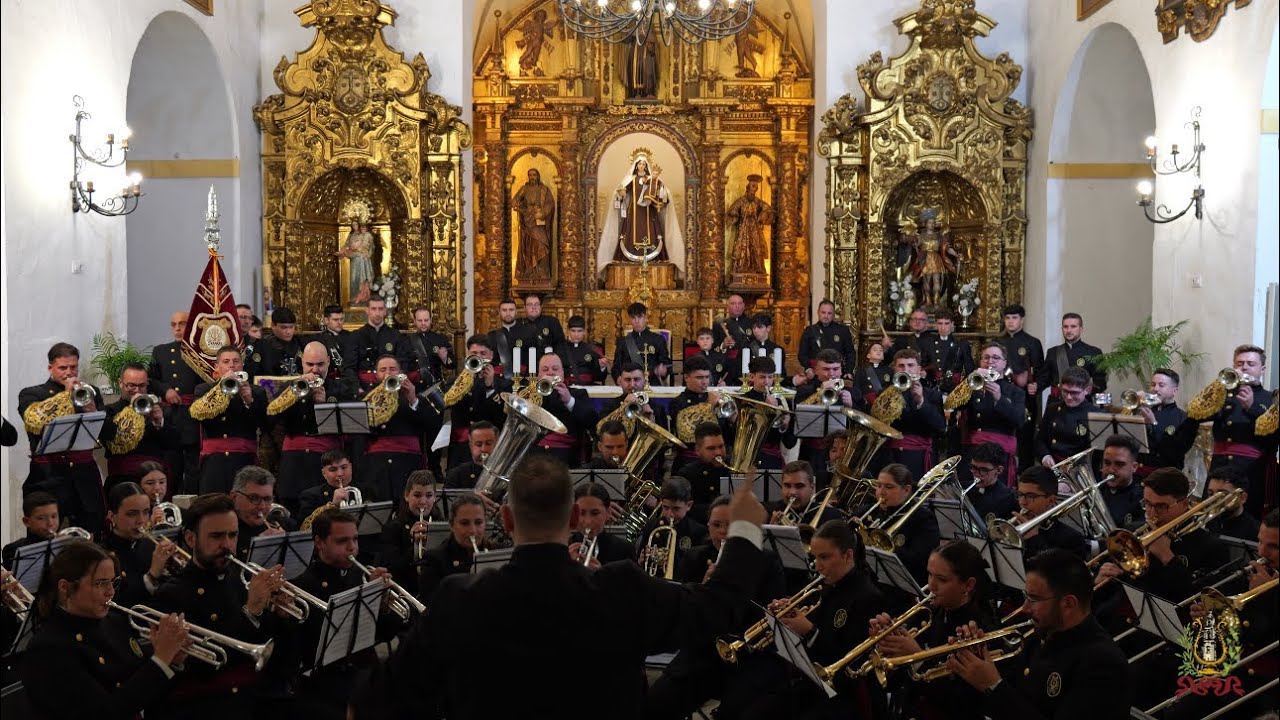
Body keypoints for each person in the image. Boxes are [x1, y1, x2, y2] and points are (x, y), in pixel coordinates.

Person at [354, 453, 768, 720]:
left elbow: (382, 698)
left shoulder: (460, 598)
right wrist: (746, 529)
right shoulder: (623, 589)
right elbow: (719, 605)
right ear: (573, 519)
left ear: (507, 521)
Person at [718, 520, 886, 720]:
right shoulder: (826, 587)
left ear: (848, 555)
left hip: (840, 694)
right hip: (810, 683)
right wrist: (786, 617)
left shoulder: (868, 597)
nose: (818, 566)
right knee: (743, 707)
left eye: (825, 557)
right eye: (815, 558)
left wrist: (809, 631)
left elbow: (850, 663)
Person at [944, 549, 1132, 720]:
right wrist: (972, 664)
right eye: (1026, 596)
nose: (1025, 608)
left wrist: (993, 685)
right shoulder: (1039, 635)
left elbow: (1005, 697)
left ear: (1068, 604)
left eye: (1033, 599)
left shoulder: (1102, 663)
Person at [149, 493, 287, 720]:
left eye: (233, 535)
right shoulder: (171, 594)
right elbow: (207, 665)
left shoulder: (241, 577)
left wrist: (280, 614)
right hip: (208, 706)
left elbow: (273, 648)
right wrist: (252, 610)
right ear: (190, 538)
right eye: (216, 536)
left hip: (256, 695)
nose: (227, 545)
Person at [649, 495, 785, 720]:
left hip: (748, 654)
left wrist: (728, 588)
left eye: (730, 525)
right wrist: (704, 589)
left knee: (735, 711)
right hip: (703, 651)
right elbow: (682, 616)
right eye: (716, 525)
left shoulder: (766, 561)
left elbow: (768, 616)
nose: (722, 532)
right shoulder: (696, 557)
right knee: (656, 703)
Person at [19, 540, 187, 719]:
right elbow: (104, 713)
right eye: (100, 583)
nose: (111, 592)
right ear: (65, 587)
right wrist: (161, 660)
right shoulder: (49, 648)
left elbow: (144, 692)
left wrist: (172, 660)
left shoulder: (114, 621)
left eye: (113, 582)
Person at [289, 508, 408, 720]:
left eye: (355, 539)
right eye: (342, 541)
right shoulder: (303, 584)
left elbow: (385, 634)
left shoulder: (359, 575)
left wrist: (382, 605)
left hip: (363, 672)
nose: (352, 547)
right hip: (324, 681)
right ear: (319, 543)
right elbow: (304, 648)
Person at [868, 541, 997, 720]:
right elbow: (893, 685)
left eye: (942, 579)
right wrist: (889, 647)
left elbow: (962, 704)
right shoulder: (928, 612)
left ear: (968, 585)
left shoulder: (979, 629)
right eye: (929, 574)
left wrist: (917, 657)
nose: (931, 585)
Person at [18, 342, 114, 535]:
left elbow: (109, 434)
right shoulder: (32, 393)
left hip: (84, 474)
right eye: (63, 368)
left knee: (92, 530)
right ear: (50, 368)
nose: (69, 373)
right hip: (48, 474)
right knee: (44, 532)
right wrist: (66, 396)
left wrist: (93, 411)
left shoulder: (90, 391)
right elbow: (34, 422)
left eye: (73, 367)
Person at [1095, 468, 1228, 602]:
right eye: (1147, 503)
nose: (1152, 513)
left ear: (1184, 503)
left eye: (1161, 506)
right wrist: (1101, 582)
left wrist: (1166, 556)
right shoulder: (1133, 530)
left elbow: (1196, 600)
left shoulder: (1211, 547)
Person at [1186, 344, 1273, 519]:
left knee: (1247, 517)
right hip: (1220, 466)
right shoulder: (1223, 395)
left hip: (1251, 469)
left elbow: (1273, 440)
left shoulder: (1270, 398)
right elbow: (1195, 413)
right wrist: (1218, 386)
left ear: (1262, 369)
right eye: (1240, 363)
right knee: (1211, 516)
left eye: (1251, 364)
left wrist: (1252, 407)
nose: (1244, 367)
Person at [267, 341, 353, 512]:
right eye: (310, 364)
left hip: (324, 463)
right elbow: (270, 420)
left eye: (320, 364)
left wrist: (323, 405)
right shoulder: (288, 387)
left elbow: (348, 430)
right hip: (294, 464)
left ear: (328, 361)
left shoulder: (341, 389)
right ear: (302, 363)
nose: (315, 370)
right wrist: (294, 393)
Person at [188, 345, 270, 494]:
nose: (232, 365)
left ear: (242, 365)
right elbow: (199, 416)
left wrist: (249, 401)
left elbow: (266, 424)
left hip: (244, 461)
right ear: (217, 367)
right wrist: (221, 389)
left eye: (236, 361)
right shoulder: (204, 389)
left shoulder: (256, 391)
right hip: (214, 463)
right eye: (226, 362)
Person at [363, 354, 435, 501]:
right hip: (378, 462)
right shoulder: (368, 398)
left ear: (401, 373)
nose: (388, 373)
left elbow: (429, 424)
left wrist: (413, 399)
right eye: (383, 370)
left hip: (407, 460)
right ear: (376, 375)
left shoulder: (412, 395)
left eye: (392, 369)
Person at [953, 340, 1024, 486]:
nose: (990, 361)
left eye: (995, 358)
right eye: (986, 358)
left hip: (999, 455)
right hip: (973, 453)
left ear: (1004, 363)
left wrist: (999, 398)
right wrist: (967, 384)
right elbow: (952, 405)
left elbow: (1019, 421)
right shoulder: (972, 387)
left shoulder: (1015, 392)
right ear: (980, 362)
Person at [149, 310, 203, 493]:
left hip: (194, 417)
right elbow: (151, 380)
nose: (178, 328)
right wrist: (166, 390)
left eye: (182, 324)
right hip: (171, 417)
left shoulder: (201, 352)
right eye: (174, 325)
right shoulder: (161, 351)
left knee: (194, 470)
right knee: (171, 468)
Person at [870, 349, 945, 480]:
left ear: (918, 369)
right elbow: (875, 424)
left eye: (910, 365)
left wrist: (921, 401)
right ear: (895, 369)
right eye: (901, 366)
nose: (906, 370)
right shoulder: (884, 393)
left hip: (919, 458)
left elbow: (940, 428)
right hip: (890, 457)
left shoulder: (933, 395)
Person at [101, 482, 178, 607]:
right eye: (132, 514)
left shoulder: (151, 545)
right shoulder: (102, 554)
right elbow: (115, 603)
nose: (141, 520)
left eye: (146, 512)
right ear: (112, 516)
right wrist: (152, 576)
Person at [793, 349, 861, 488]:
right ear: (816, 370)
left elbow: (863, 425)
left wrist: (851, 406)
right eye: (826, 369)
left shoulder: (853, 392)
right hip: (812, 453)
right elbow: (798, 418)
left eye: (835, 369)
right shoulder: (805, 390)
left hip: (842, 454)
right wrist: (819, 393)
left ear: (841, 370)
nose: (831, 374)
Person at [104, 362, 178, 490]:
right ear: (120, 383)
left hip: (155, 473)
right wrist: (131, 410)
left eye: (142, 386)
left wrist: (159, 422)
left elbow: (173, 444)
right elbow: (111, 445)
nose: (137, 390)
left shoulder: (158, 409)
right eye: (131, 385)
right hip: (123, 477)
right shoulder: (110, 411)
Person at [861, 464, 941, 583]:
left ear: (906, 490)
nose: (881, 492)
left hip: (902, 582)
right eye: (879, 485)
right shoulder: (868, 510)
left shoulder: (923, 518)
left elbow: (920, 561)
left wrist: (886, 548)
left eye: (889, 487)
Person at [443, 335, 511, 468]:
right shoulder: (455, 382)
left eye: (483, 353)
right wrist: (466, 379)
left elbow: (501, 416)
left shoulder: (504, 384)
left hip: (490, 445)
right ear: (468, 355)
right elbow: (450, 404)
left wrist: (490, 387)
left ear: (491, 355)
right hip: (462, 446)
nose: (479, 357)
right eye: (474, 353)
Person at [377, 470, 442, 599]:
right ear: (406, 496)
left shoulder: (442, 526)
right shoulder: (393, 528)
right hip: (407, 592)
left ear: (435, 497)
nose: (423, 501)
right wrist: (413, 544)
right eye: (417, 495)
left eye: (429, 495)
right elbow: (392, 570)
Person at [529, 352, 598, 467]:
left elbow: (591, 420)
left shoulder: (578, 394)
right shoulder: (531, 395)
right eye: (545, 370)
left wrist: (569, 400)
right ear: (539, 375)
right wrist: (535, 395)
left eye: (555, 369)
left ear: (562, 373)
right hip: (535, 454)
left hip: (567, 456)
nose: (550, 372)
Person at [417, 492, 488, 603]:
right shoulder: (434, 560)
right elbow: (434, 606)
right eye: (464, 523)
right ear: (452, 525)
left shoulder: (497, 552)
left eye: (478, 522)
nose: (473, 530)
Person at [1000, 304, 1045, 471]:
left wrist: (1036, 385)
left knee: (1025, 437)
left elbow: (1041, 371)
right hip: (1002, 395)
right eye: (1007, 318)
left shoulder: (1032, 342)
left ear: (1022, 320)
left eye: (1015, 318)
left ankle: (1026, 473)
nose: (1010, 321)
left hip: (1025, 397)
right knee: (1003, 434)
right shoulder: (998, 342)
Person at [1011, 466, 1091, 561]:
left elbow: (1054, 569)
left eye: (1031, 496)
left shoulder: (1072, 539)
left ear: (1051, 500)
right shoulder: (1011, 527)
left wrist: (1034, 539)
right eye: (1020, 494)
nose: (1022, 502)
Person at [668, 356, 729, 475]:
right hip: (689, 463)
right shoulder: (678, 402)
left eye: (707, 377)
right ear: (686, 378)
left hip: (716, 463)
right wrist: (709, 406)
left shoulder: (716, 399)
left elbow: (726, 433)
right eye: (699, 377)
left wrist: (733, 418)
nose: (705, 382)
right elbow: (688, 434)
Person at [637, 477, 709, 574]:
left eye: (676, 509)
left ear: (689, 505)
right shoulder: (652, 526)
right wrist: (641, 561)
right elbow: (639, 565)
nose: (670, 514)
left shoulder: (698, 532)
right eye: (665, 507)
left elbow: (698, 570)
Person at [1035, 367, 1099, 467]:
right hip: (1052, 465)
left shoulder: (1096, 415)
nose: (1068, 397)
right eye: (1065, 391)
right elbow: (1040, 439)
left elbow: (1098, 452)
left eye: (1074, 392)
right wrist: (1045, 456)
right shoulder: (1052, 409)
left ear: (1087, 390)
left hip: (1080, 468)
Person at [741, 355, 796, 470]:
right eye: (762, 377)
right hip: (750, 459)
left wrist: (785, 426)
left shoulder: (781, 401)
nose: (767, 382)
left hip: (774, 459)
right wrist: (765, 408)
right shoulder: (744, 400)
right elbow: (743, 435)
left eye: (770, 377)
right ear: (752, 377)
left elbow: (790, 443)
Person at [230, 466, 295, 560]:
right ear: (234, 497)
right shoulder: (227, 532)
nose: (262, 506)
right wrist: (258, 548)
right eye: (254, 498)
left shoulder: (283, 523)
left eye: (267, 499)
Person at [1037, 313, 1107, 396]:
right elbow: (1044, 380)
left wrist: (1090, 389)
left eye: (1073, 326)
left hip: (1083, 401)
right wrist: (1035, 386)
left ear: (1081, 329)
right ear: (1062, 329)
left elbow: (1101, 383)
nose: (1069, 330)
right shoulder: (1053, 352)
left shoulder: (1094, 352)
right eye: (1065, 327)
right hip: (1057, 402)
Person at [347, 295, 406, 390]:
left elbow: (402, 363)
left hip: (392, 387)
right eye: (374, 309)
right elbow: (349, 367)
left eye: (380, 309)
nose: (377, 313)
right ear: (367, 310)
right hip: (364, 387)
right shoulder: (356, 336)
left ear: (385, 311)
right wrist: (357, 388)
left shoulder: (395, 335)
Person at [568, 483, 636, 566]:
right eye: (581, 513)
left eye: (595, 513)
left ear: (608, 513)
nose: (588, 521)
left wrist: (602, 572)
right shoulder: (564, 548)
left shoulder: (624, 550)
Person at [595, 362, 666, 441]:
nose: (632, 384)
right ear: (620, 381)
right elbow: (601, 433)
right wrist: (623, 407)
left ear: (645, 382)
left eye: (637, 379)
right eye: (627, 380)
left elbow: (663, 439)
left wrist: (651, 421)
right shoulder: (609, 405)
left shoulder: (657, 408)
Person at [1135, 367, 1187, 474]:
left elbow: (1171, 452)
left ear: (1174, 391)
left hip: (1165, 475)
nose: (1155, 389)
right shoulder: (1144, 409)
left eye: (1161, 385)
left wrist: (1153, 423)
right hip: (1138, 471)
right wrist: (1135, 408)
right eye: (1153, 384)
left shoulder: (1182, 417)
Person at [675, 423, 731, 522]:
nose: (718, 452)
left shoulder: (733, 468)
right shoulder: (687, 474)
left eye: (721, 446)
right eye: (711, 448)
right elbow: (686, 512)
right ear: (697, 450)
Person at [298, 449, 365, 524]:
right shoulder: (310, 496)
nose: (340, 474)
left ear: (351, 467)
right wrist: (333, 505)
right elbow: (305, 526)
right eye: (333, 470)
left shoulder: (367, 490)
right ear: (324, 473)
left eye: (344, 467)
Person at [611, 302, 671, 385]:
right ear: (629, 319)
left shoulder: (658, 339)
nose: (637, 321)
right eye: (633, 317)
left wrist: (663, 370)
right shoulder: (623, 341)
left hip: (651, 383)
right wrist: (618, 378)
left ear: (646, 318)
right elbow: (616, 367)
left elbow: (666, 364)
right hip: (629, 384)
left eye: (640, 317)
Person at [726, 174, 774, 278]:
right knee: (742, 248)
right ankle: (740, 269)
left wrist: (763, 215)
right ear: (748, 188)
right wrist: (736, 216)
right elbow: (732, 211)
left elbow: (768, 209)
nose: (754, 190)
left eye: (756, 188)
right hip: (743, 229)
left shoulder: (757, 201)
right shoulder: (741, 201)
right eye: (752, 187)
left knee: (756, 247)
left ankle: (757, 269)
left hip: (755, 229)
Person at [768, 460, 842, 528]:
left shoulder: (829, 516)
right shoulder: (773, 511)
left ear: (812, 488)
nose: (792, 492)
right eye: (787, 486)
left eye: (799, 486)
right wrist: (772, 531)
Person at [797, 299, 857, 382]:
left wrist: (849, 371)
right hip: (816, 374)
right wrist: (808, 368)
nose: (826, 316)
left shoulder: (842, 330)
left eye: (829, 313)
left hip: (837, 374)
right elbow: (802, 354)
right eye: (823, 312)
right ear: (818, 312)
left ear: (833, 314)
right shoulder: (809, 331)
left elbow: (850, 353)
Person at [513, 170, 556, 283]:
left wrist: (543, 213)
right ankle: (529, 272)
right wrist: (516, 204)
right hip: (527, 222)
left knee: (542, 244)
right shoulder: (524, 189)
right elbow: (515, 200)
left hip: (539, 222)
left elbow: (550, 204)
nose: (532, 177)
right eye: (530, 175)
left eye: (534, 175)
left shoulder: (544, 189)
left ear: (538, 176)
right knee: (528, 247)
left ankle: (542, 273)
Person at [2, 492, 60, 570]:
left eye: (53, 516)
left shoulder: (65, 544)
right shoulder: (13, 550)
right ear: (26, 521)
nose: (50, 523)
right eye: (41, 518)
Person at [1203, 465, 1261, 541]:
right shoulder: (1205, 522)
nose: (1213, 500)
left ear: (1242, 498)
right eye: (1210, 494)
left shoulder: (1256, 532)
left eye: (1222, 495)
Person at [966, 442, 1019, 523]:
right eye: (974, 467)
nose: (977, 474)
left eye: (984, 470)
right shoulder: (963, 488)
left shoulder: (1008, 498)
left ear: (999, 470)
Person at [923, 309, 975, 391]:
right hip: (933, 387)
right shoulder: (929, 344)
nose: (943, 327)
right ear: (936, 324)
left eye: (946, 323)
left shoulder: (961, 344)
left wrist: (962, 388)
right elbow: (924, 366)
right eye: (940, 323)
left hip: (955, 388)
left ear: (952, 324)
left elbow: (969, 369)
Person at [1098, 434, 1143, 528]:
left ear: (1134, 467)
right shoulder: (1097, 492)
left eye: (1119, 464)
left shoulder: (1141, 498)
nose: (1111, 470)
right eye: (1107, 463)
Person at [486, 299, 535, 380]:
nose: (508, 313)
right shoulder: (492, 335)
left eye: (511, 310)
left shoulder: (528, 332)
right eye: (504, 310)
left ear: (516, 312)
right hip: (498, 380)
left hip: (523, 379)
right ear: (499, 312)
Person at [405, 306, 455, 385]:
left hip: (435, 385)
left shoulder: (440, 339)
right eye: (420, 320)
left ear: (431, 320)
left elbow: (453, 365)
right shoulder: (407, 341)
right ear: (414, 321)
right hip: (415, 386)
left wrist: (445, 358)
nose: (423, 323)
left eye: (426, 320)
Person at [444, 421, 499, 489]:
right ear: (470, 446)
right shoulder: (456, 475)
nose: (483, 449)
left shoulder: (507, 474)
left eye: (488, 443)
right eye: (478, 444)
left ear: (497, 445)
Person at [556, 315, 607, 385]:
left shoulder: (591, 350)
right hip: (567, 386)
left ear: (584, 331)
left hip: (587, 387)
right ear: (568, 331)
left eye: (579, 331)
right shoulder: (560, 349)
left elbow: (600, 377)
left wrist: (602, 367)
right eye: (573, 331)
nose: (576, 334)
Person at [740, 313, 787, 386]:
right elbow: (738, 371)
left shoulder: (777, 350)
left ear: (768, 328)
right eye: (754, 327)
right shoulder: (746, 348)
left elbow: (782, 375)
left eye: (759, 327)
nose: (756, 330)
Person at [257, 307, 306, 376]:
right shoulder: (263, 346)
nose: (288, 332)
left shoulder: (301, 343)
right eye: (284, 327)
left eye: (291, 327)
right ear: (273, 325)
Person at [309, 304, 351, 380]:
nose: (339, 322)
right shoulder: (318, 339)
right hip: (329, 380)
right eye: (335, 320)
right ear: (326, 320)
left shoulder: (351, 336)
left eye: (341, 319)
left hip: (349, 379)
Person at [520, 293, 565, 358]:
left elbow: (560, 345)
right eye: (529, 305)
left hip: (548, 361)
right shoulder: (519, 325)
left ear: (541, 306)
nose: (533, 307)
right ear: (524, 307)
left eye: (537, 304)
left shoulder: (552, 322)